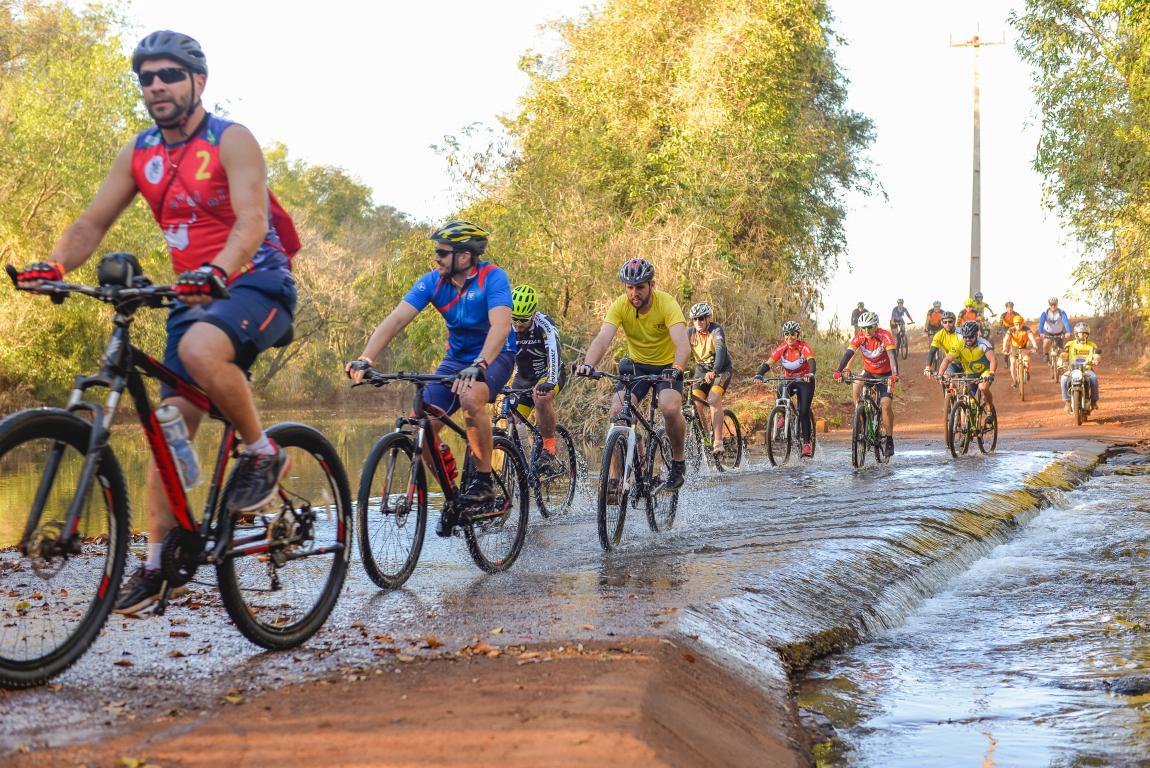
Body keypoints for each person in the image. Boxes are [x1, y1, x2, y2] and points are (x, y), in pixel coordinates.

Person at [15, 31, 300, 614]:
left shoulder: (231, 139)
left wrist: (218, 269)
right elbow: (92, 223)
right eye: (146, 78)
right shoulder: (139, 151)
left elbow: (251, 220)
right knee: (169, 426)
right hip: (192, 296)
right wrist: (54, 264)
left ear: (198, 81)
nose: (156, 87)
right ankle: (155, 567)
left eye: (169, 75)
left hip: (255, 280)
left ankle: (262, 450)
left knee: (199, 351)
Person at [347, 220, 514, 533]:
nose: (436, 258)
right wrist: (366, 358)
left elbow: (501, 327)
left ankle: (483, 483)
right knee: (420, 424)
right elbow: (396, 320)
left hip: (496, 353)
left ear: (464, 257)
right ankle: (454, 496)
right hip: (456, 360)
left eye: (442, 252)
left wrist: (480, 364)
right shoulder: (432, 282)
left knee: (470, 396)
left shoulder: (493, 277)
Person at [575, 258, 689, 490]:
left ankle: (678, 462)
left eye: (640, 287)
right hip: (637, 365)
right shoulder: (620, 305)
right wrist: (588, 364)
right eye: (629, 287)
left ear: (651, 285)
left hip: (667, 366)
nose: (634, 293)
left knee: (669, 408)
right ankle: (617, 479)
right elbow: (603, 338)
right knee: (619, 411)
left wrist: (677, 368)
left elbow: (682, 344)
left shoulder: (666, 303)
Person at [507, 284, 565, 473]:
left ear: (533, 314)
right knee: (512, 419)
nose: (517, 325)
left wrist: (549, 381)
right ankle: (525, 466)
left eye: (523, 320)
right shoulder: (506, 324)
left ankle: (548, 449)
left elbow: (554, 354)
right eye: (514, 319)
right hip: (523, 377)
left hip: (548, 372)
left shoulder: (544, 324)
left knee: (540, 398)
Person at [832, 311, 899, 457]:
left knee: (886, 405)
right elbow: (848, 354)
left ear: (876, 326)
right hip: (868, 371)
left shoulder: (885, 335)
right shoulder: (860, 337)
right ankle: (860, 417)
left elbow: (892, 355)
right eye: (863, 328)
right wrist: (839, 371)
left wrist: (894, 374)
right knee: (856, 384)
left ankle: (889, 440)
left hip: (886, 374)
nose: (866, 331)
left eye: (870, 327)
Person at [757, 321, 816, 457]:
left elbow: (812, 361)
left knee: (803, 412)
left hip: (804, 381)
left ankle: (806, 444)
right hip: (789, 380)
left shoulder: (803, 347)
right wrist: (759, 374)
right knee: (781, 388)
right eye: (786, 334)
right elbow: (768, 363)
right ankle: (783, 414)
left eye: (792, 334)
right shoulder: (782, 348)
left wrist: (810, 373)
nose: (789, 337)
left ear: (798, 335)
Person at [686, 302, 734, 455]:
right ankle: (705, 438)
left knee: (713, 399)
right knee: (696, 404)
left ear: (708, 318)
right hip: (701, 371)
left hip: (721, 370)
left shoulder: (716, 329)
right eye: (695, 319)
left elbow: (720, 350)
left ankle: (718, 441)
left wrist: (714, 371)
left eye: (701, 318)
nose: (698, 322)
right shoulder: (690, 333)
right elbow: (678, 351)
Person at [938, 320, 998, 417]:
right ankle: (965, 429)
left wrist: (991, 373)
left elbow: (992, 359)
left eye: (971, 337)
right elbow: (947, 359)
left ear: (976, 334)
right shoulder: (959, 345)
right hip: (970, 374)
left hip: (985, 372)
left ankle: (990, 410)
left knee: (983, 388)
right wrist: (940, 374)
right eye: (965, 337)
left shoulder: (983, 344)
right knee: (966, 400)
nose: (968, 339)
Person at [1059, 322, 1101, 413]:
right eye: (1080, 333)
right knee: (1063, 379)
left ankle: (1093, 401)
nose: (1082, 335)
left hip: (1087, 370)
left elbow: (1096, 355)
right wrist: (1060, 359)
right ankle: (1067, 402)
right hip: (1072, 370)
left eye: (1085, 333)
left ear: (1088, 334)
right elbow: (1064, 354)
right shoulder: (1070, 344)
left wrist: (1096, 359)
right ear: (1076, 333)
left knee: (1094, 378)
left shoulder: (1092, 345)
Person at [1000, 314, 1038, 387]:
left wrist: (1035, 346)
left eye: (1020, 324)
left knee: (1027, 362)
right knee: (1013, 363)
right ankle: (1014, 381)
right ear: (1014, 324)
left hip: (1024, 349)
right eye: (1016, 324)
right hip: (1014, 349)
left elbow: (1032, 338)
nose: (1018, 326)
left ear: (1022, 323)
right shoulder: (1011, 330)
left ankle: (1027, 371)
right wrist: (1004, 348)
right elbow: (1006, 339)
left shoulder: (1026, 329)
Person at [924, 311, 962, 377]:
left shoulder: (961, 332)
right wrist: (928, 367)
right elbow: (932, 351)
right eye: (945, 322)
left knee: (968, 385)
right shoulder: (939, 335)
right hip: (952, 363)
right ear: (942, 323)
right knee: (945, 378)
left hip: (966, 363)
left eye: (950, 321)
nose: (947, 324)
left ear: (954, 322)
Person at [1037, 297, 1071, 362]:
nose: (1053, 306)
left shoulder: (1061, 312)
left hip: (1059, 333)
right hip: (1048, 333)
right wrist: (1040, 333)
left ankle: (1060, 366)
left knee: (1061, 351)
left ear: (1057, 304)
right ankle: (1046, 355)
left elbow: (1066, 322)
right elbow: (1041, 323)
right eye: (1051, 305)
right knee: (1046, 341)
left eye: (1054, 305)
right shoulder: (1045, 312)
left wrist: (1068, 332)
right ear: (1049, 305)